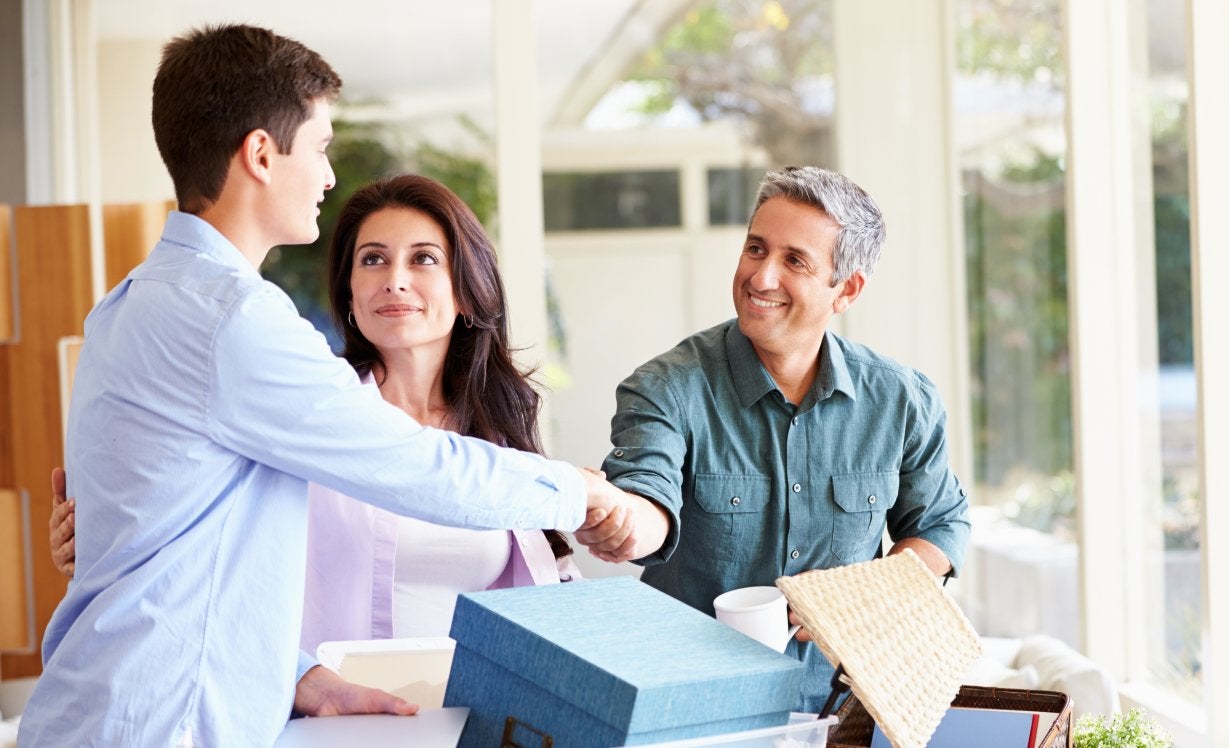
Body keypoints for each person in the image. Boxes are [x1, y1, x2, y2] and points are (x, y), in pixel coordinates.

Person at [20, 25, 631, 748]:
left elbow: (185, 547)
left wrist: (300, 675)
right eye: (320, 147)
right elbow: (411, 464)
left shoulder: (127, 306)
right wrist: (582, 491)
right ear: (260, 154)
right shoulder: (233, 320)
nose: (329, 176)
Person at [48, 174, 587, 650]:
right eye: (372, 259)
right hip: (325, 721)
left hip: (472, 719)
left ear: (466, 293)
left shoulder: (497, 429)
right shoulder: (294, 414)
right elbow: (193, 520)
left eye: (423, 258)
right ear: (349, 294)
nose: (395, 279)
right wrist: (104, 540)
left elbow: (551, 585)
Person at [592, 166, 972, 712]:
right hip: (688, 709)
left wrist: (868, 593)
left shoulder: (902, 399)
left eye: (794, 260)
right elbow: (645, 492)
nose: (761, 277)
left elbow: (940, 523)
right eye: (755, 249)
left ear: (847, 290)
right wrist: (624, 521)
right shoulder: (665, 387)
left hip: (842, 709)